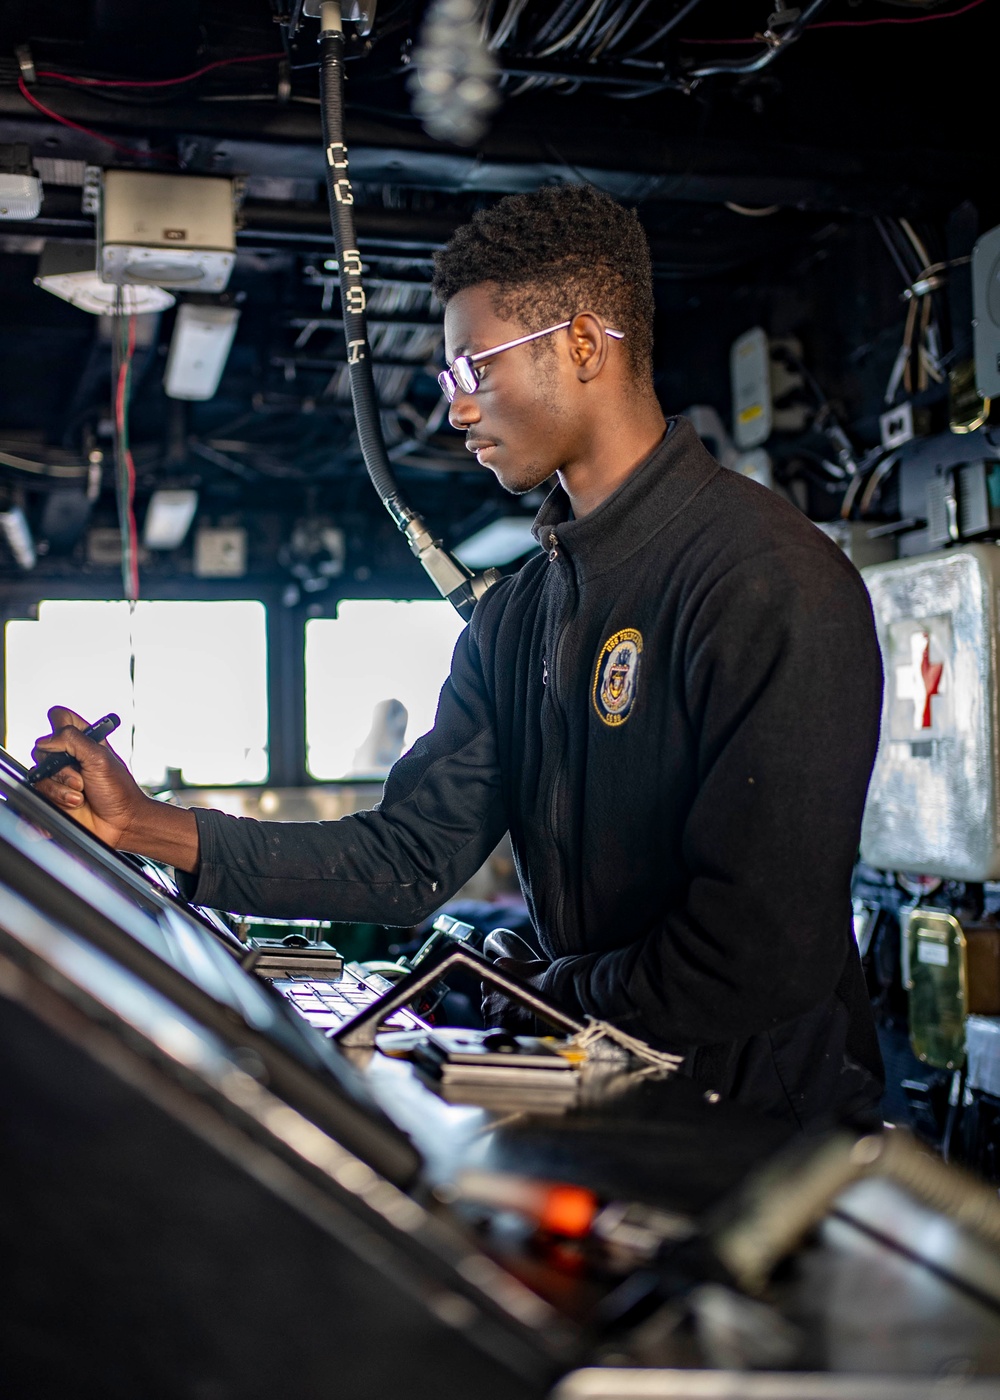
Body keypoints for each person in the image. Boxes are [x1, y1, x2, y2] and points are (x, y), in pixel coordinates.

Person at [34, 184, 884, 1130]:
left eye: (471, 369)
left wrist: (541, 995)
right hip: (604, 1097)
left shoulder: (766, 578)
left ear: (585, 344)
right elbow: (406, 857)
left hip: (765, 1130)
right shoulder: (520, 614)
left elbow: (758, 950)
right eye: (449, 380)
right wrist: (143, 825)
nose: (457, 412)